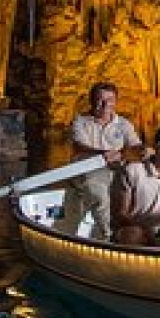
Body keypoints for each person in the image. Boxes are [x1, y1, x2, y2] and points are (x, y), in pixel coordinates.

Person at [57, 82, 142, 240]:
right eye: (100, 99)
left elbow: (135, 146)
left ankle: (138, 231)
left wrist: (141, 151)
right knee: (99, 193)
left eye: (109, 99)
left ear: (115, 101)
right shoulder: (81, 121)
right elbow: (78, 146)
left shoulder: (123, 124)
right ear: (92, 100)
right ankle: (107, 237)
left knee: (138, 179)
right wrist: (103, 154)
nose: (105, 104)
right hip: (86, 171)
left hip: (115, 171)